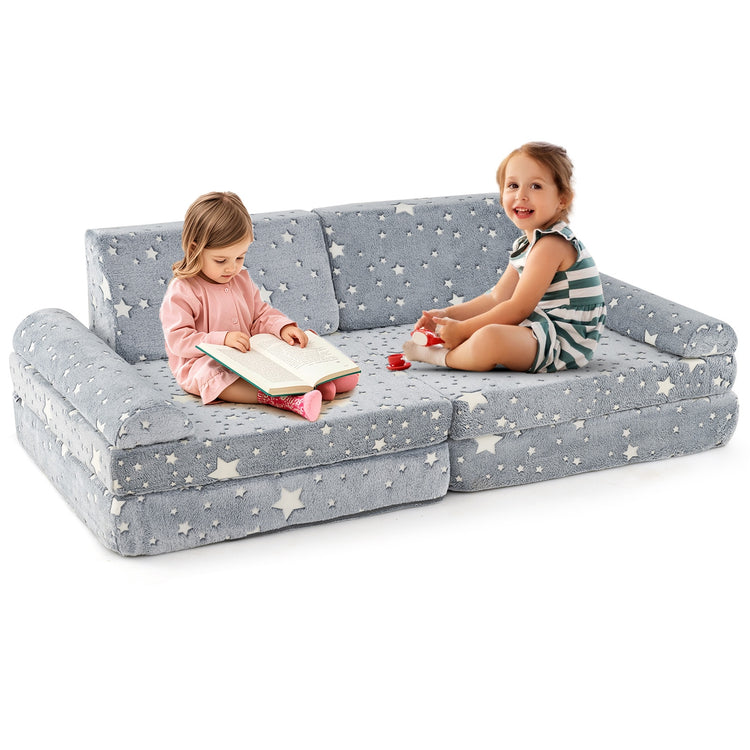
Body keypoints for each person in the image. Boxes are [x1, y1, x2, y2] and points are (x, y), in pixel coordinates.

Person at [403, 142, 606, 373]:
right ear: (501, 196)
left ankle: (437, 356)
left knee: (490, 337)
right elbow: (497, 297)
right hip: (540, 328)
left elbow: (518, 308)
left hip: (564, 342)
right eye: (513, 186)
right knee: (487, 328)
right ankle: (459, 346)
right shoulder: (525, 245)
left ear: (563, 199)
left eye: (536, 186)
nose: (521, 195)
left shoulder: (552, 244)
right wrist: (446, 315)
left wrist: (464, 329)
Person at [160, 191, 358, 421]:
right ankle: (285, 399)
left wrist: (282, 328)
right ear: (194, 249)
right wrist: (222, 339)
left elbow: (260, 315)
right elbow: (178, 340)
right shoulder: (183, 289)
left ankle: (316, 380)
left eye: (240, 257)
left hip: (248, 357)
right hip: (203, 362)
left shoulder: (240, 279)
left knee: (284, 349)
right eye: (221, 260)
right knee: (210, 376)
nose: (231, 268)